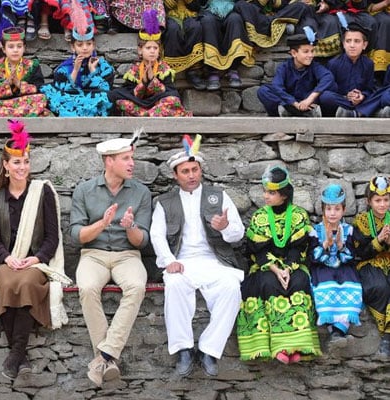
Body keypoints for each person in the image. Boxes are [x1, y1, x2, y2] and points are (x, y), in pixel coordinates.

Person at [150, 135, 244, 377]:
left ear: (201, 170)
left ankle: (209, 350)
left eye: (195, 169)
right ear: (175, 175)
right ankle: (183, 349)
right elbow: (157, 236)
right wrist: (170, 261)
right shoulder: (164, 202)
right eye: (185, 171)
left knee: (231, 287)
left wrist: (224, 227)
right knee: (175, 284)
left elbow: (238, 234)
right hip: (182, 261)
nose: (191, 175)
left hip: (215, 261)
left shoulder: (219, 196)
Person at [0, 120, 70, 379]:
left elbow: (52, 237)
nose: (22, 167)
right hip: (8, 262)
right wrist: (7, 258)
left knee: (26, 284)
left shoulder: (41, 192)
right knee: (5, 284)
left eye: (25, 162)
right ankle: (21, 358)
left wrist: (36, 258)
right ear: (6, 165)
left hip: (36, 262)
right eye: (16, 162)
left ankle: (15, 355)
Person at [70, 130, 151, 387]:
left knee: (137, 286)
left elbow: (143, 240)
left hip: (128, 255)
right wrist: (102, 224)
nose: (132, 163)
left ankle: (103, 357)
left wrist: (130, 227)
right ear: (109, 161)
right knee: (87, 287)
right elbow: (76, 236)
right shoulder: (84, 190)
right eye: (125, 158)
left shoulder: (141, 192)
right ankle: (108, 359)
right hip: (93, 254)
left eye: (131, 158)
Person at [236, 166, 320, 364]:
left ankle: (298, 346)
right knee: (267, 283)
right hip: (266, 266)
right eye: (265, 191)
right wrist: (275, 268)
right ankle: (276, 347)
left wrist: (288, 269)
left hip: (293, 265)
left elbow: (299, 248)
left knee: (299, 282)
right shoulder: (260, 217)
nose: (265, 196)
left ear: (284, 195)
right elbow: (257, 249)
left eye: (271, 193)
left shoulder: (299, 216)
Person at [309, 184, 362, 349]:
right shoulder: (315, 230)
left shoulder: (349, 230)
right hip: (323, 268)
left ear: (343, 210)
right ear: (323, 210)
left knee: (351, 287)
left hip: (343, 268)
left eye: (337, 209)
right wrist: (325, 243)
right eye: (329, 209)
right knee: (326, 286)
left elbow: (351, 257)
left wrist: (340, 245)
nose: (332, 213)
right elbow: (313, 258)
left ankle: (338, 330)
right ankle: (335, 330)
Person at [108, 10, 191, 117]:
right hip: (139, 102)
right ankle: (152, 115)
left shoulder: (164, 68)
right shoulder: (134, 70)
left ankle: (146, 115)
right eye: (148, 48)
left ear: (159, 50)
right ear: (140, 50)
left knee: (173, 99)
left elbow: (168, 91)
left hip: (158, 101)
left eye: (155, 48)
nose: (152, 51)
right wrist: (144, 81)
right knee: (118, 97)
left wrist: (152, 80)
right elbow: (132, 94)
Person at [41, 1, 114, 116]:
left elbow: (106, 89)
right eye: (80, 45)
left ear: (94, 45)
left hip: (93, 99)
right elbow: (64, 90)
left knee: (106, 97)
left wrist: (93, 71)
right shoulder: (64, 68)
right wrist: (75, 70)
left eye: (88, 44)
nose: (85, 48)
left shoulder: (104, 67)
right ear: (73, 47)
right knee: (49, 92)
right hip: (70, 99)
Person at [0, 27, 49, 117]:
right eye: (11, 46)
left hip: (24, 103)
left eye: (19, 46)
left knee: (41, 98)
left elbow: (40, 88)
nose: (15, 50)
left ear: (24, 48)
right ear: (4, 49)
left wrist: (19, 84)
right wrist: (7, 84)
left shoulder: (32, 65)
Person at [352, 175, 390, 356]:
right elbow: (360, 252)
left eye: (386, 200)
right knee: (378, 286)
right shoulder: (362, 221)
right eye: (378, 200)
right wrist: (379, 240)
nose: (382, 204)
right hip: (369, 263)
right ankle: (385, 332)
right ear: (369, 201)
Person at [257, 29, 334, 117]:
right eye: (306, 52)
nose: (311, 55)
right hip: (289, 103)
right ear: (294, 53)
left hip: (308, 102)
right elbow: (277, 86)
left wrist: (309, 99)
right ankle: (296, 112)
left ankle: (298, 112)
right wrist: (294, 103)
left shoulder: (315, 66)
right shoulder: (284, 67)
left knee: (327, 95)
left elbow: (328, 77)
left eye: (312, 51)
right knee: (263, 91)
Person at [319, 22, 382, 117]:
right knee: (326, 97)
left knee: (380, 95)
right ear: (343, 44)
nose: (352, 45)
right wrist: (346, 96)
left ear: (364, 45)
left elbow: (370, 88)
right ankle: (359, 111)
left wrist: (361, 95)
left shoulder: (368, 64)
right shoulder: (334, 63)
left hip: (361, 100)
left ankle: (354, 112)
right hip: (342, 100)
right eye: (348, 41)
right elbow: (329, 88)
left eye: (357, 41)